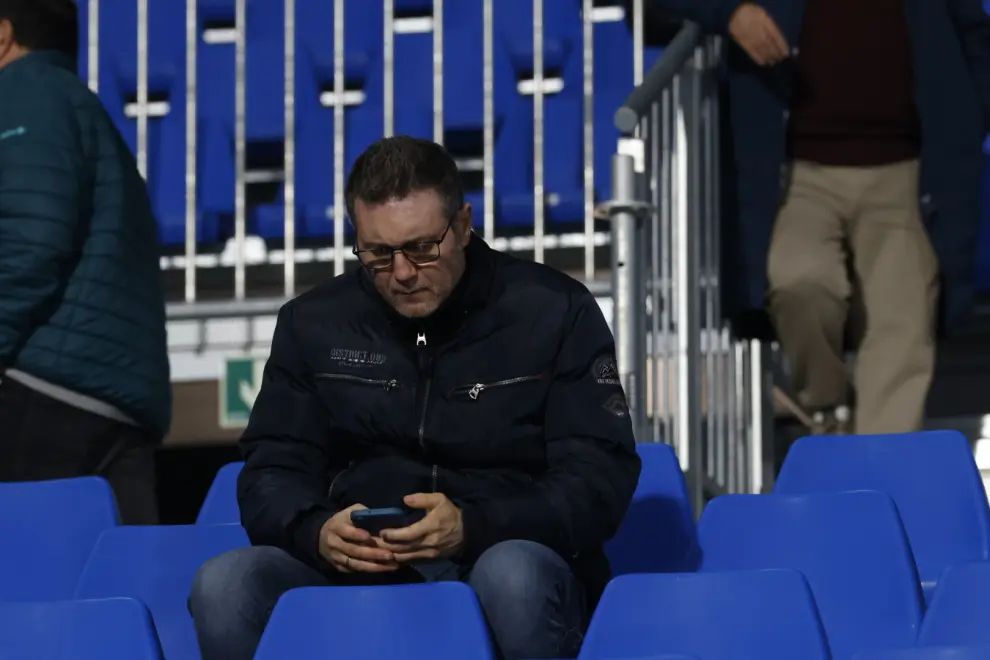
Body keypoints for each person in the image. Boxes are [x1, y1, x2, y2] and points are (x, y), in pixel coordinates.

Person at [188, 136, 641, 660]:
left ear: (465, 225)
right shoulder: (310, 323)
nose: (402, 273)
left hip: (500, 555)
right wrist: (316, 531)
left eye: (422, 248)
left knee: (512, 575)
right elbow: (270, 469)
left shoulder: (556, 311)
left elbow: (597, 479)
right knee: (225, 585)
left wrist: (473, 526)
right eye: (378, 254)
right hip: (355, 569)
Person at [645, 0, 990, 434]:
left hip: (909, 175)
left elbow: (976, 38)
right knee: (798, 284)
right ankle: (828, 410)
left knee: (901, 335)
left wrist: (964, 124)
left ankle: (881, 483)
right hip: (800, 174)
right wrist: (730, 12)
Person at [0, 0, 171, 524]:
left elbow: (30, 241)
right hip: (109, 404)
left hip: (43, 394)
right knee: (106, 593)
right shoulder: (78, 107)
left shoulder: (23, 95)